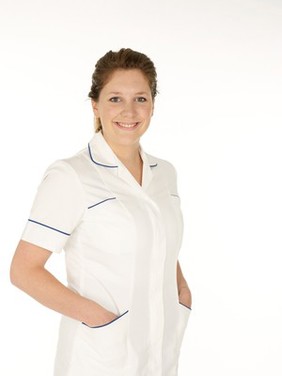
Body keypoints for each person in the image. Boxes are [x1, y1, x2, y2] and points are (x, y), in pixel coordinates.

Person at [10, 48, 192, 376]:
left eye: (140, 98)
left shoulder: (165, 173)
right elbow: (24, 270)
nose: (129, 110)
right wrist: (99, 319)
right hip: (99, 359)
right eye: (114, 99)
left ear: (152, 105)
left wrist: (181, 293)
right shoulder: (71, 175)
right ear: (95, 105)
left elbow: (160, 237)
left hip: (160, 356)